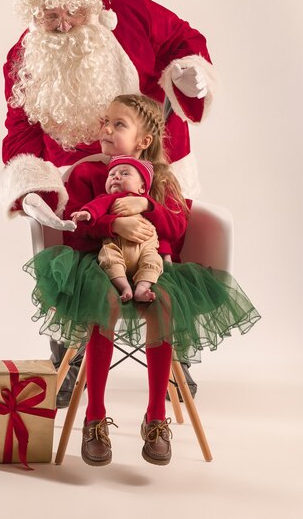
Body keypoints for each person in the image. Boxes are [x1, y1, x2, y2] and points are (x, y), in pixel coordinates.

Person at [1, 0, 218, 406]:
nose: (61, 26)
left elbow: (182, 39)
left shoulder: (132, 12)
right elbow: (18, 131)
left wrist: (188, 71)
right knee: (76, 263)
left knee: (162, 250)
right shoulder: (24, 58)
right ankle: (69, 351)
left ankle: (174, 354)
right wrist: (31, 186)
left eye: (71, 12)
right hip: (77, 182)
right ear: (32, 12)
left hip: (151, 164)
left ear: (89, 1)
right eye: (48, 15)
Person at [24, 94, 261, 466]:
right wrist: (113, 222)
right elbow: (74, 229)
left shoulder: (163, 179)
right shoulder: (88, 173)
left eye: (118, 124)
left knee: (163, 304)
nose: (106, 129)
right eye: (105, 122)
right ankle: (95, 417)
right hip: (99, 264)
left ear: (143, 141)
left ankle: (155, 418)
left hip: (154, 266)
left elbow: (179, 227)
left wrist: (147, 205)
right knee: (106, 304)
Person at [71, 156, 169, 303]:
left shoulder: (147, 203)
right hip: (117, 244)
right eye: (111, 175)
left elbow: (162, 228)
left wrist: (166, 252)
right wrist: (87, 213)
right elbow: (96, 206)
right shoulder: (110, 199)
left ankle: (142, 288)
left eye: (125, 174)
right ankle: (124, 287)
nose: (116, 176)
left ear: (142, 187)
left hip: (145, 247)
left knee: (154, 260)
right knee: (108, 256)